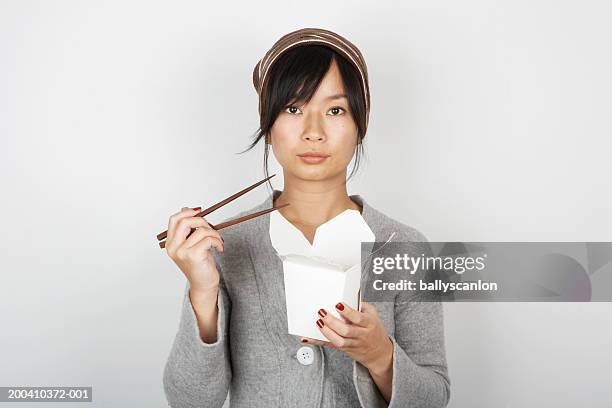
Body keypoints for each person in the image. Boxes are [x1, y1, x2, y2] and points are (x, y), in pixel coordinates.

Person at [162, 27, 450, 408]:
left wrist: (379, 354)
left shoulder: (407, 248)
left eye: (335, 110)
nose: (313, 132)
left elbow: (435, 398)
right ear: (269, 127)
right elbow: (190, 402)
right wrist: (202, 290)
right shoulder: (225, 247)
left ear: (360, 126)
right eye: (293, 108)